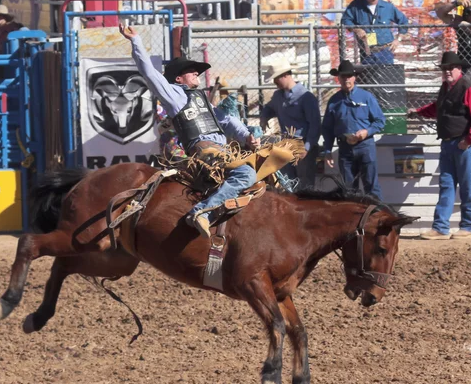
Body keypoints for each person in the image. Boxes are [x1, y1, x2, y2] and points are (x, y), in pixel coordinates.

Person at [119, 23, 259, 238]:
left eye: (196, 71)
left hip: (223, 151)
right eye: (190, 71)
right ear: (178, 78)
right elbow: (149, 73)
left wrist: (246, 136)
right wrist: (136, 41)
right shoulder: (175, 96)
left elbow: (227, 120)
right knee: (246, 173)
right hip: (206, 153)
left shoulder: (201, 99)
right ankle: (201, 213)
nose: (196, 73)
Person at [407, 52, 471, 240]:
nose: (447, 71)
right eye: (444, 68)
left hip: (464, 142)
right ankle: (441, 227)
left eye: (450, 68)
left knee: (466, 185)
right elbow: (439, 107)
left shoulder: (469, 88)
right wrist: (419, 112)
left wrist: (469, 140)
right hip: (451, 141)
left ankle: (467, 226)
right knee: (447, 184)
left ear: (459, 69)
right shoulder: (446, 88)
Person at [322, 59, 385, 199]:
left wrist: (366, 132)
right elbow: (327, 128)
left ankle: (377, 217)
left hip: (365, 146)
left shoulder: (367, 97)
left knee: (371, 186)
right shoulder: (334, 101)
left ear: (354, 77)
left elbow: (380, 121)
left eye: (349, 76)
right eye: (343, 76)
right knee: (349, 189)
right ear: (338, 78)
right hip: (345, 147)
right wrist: (327, 150)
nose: (346, 79)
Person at [260, 59, 321, 189]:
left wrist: (307, 147)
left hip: (302, 144)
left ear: (285, 75)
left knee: (304, 185)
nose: (274, 82)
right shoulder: (278, 96)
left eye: (276, 78)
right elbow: (269, 108)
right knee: (289, 182)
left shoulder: (306, 97)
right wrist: (264, 117)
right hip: (287, 145)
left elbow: (315, 125)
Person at [341, 0, 408, 65]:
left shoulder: (388, 7)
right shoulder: (356, 6)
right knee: (368, 77)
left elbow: (403, 22)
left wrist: (398, 40)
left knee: (386, 77)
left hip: (386, 51)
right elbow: (345, 21)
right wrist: (356, 29)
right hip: (366, 52)